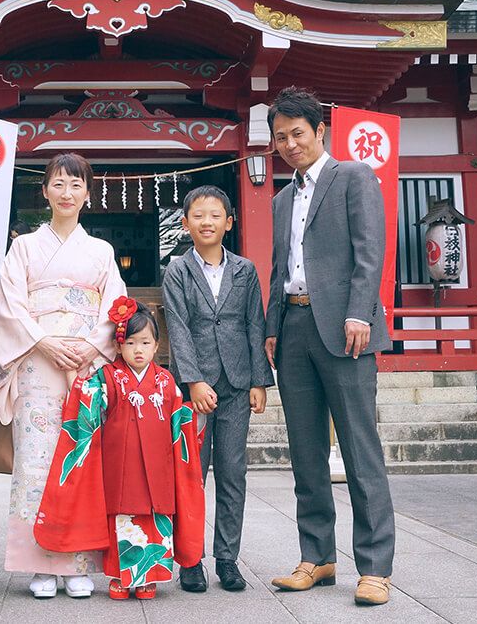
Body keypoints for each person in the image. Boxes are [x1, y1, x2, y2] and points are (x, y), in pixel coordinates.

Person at [263, 87, 396, 606]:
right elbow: (280, 269)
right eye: (281, 137)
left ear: (320, 131)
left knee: (361, 450)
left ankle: (375, 566)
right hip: (294, 329)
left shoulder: (353, 177)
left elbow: (371, 250)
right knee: (306, 452)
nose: (290, 143)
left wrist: (361, 310)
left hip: (346, 327)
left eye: (298, 133)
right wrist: (272, 326)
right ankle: (317, 556)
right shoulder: (279, 199)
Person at [0, 152, 126, 599]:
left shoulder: (102, 251)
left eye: (76, 185)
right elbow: (10, 305)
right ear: (44, 190)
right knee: (36, 460)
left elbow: (115, 309)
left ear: (89, 194)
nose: (67, 193)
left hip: (87, 364)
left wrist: (90, 347)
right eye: (58, 184)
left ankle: (79, 561)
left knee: (83, 460)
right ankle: (40, 563)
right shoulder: (24, 247)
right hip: (37, 362)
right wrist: (43, 342)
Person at [33, 298, 206, 601]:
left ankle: (148, 577)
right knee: (122, 521)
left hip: (159, 465)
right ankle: (120, 578)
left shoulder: (166, 382)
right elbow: (86, 401)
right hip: (122, 464)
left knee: (155, 519)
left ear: (156, 346)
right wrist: (74, 379)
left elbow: (181, 421)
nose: (138, 350)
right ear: (118, 345)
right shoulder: (109, 377)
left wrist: (195, 416)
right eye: (130, 343)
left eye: (145, 343)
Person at [162, 185, 274, 593]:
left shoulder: (244, 270)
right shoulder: (176, 270)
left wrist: (260, 380)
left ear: (229, 222)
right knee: (191, 476)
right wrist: (192, 381)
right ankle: (190, 560)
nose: (206, 222)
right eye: (198, 215)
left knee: (232, 473)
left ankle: (227, 558)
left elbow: (254, 324)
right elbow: (177, 326)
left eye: (215, 215)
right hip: (194, 390)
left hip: (237, 385)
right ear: (185, 222)